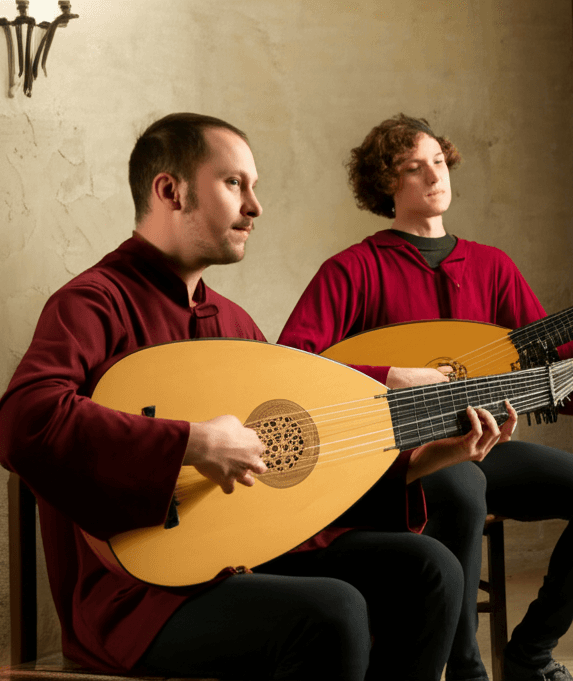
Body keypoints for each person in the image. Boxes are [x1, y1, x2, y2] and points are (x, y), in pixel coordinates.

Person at [0, 112, 514, 681]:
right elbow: (24, 422)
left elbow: (295, 464)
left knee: (431, 568)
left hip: (250, 553)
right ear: (170, 190)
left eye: (255, 187)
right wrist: (192, 443)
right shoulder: (92, 303)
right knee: (334, 611)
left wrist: (434, 456)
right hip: (140, 598)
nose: (255, 206)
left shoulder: (236, 322)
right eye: (234, 184)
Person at [278, 114, 573, 681]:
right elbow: (295, 365)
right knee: (463, 484)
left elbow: (560, 382)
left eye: (439, 161)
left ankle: (530, 653)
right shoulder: (354, 269)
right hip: (403, 458)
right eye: (412, 167)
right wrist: (390, 375)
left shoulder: (492, 266)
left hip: (486, 442)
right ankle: (466, 667)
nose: (433, 175)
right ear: (385, 184)